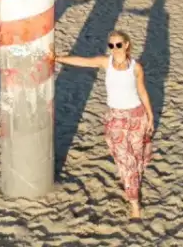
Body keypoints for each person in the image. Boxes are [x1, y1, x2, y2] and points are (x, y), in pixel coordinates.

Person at [52, 30, 154, 219]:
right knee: (125, 160)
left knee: (137, 158)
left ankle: (131, 185)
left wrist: (150, 116)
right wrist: (58, 58)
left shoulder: (136, 67)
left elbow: (142, 92)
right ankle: (134, 204)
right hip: (115, 118)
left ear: (127, 45)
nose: (114, 49)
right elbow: (83, 61)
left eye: (118, 45)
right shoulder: (105, 62)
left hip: (137, 116)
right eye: (111, 45)